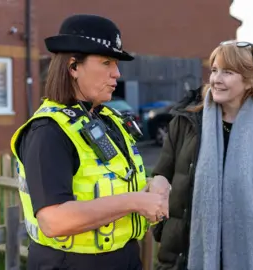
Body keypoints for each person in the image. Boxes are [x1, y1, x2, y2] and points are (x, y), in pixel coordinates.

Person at [9, 14, 170, 270]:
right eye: (106, 62)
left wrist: (154, 184)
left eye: (116, 63)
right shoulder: (48, 131)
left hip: (125, 257)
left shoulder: (108, 119)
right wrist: (136, 201)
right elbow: (53, 221)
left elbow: (110, 181)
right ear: (73, 67)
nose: (116, 73)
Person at [150, 41, 253, 270]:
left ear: (250, 80)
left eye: (228, 72)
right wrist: (161, 218)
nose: (216, 79)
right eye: (214, 70)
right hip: (188, 256)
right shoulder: (186, 124)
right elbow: (163, 176)